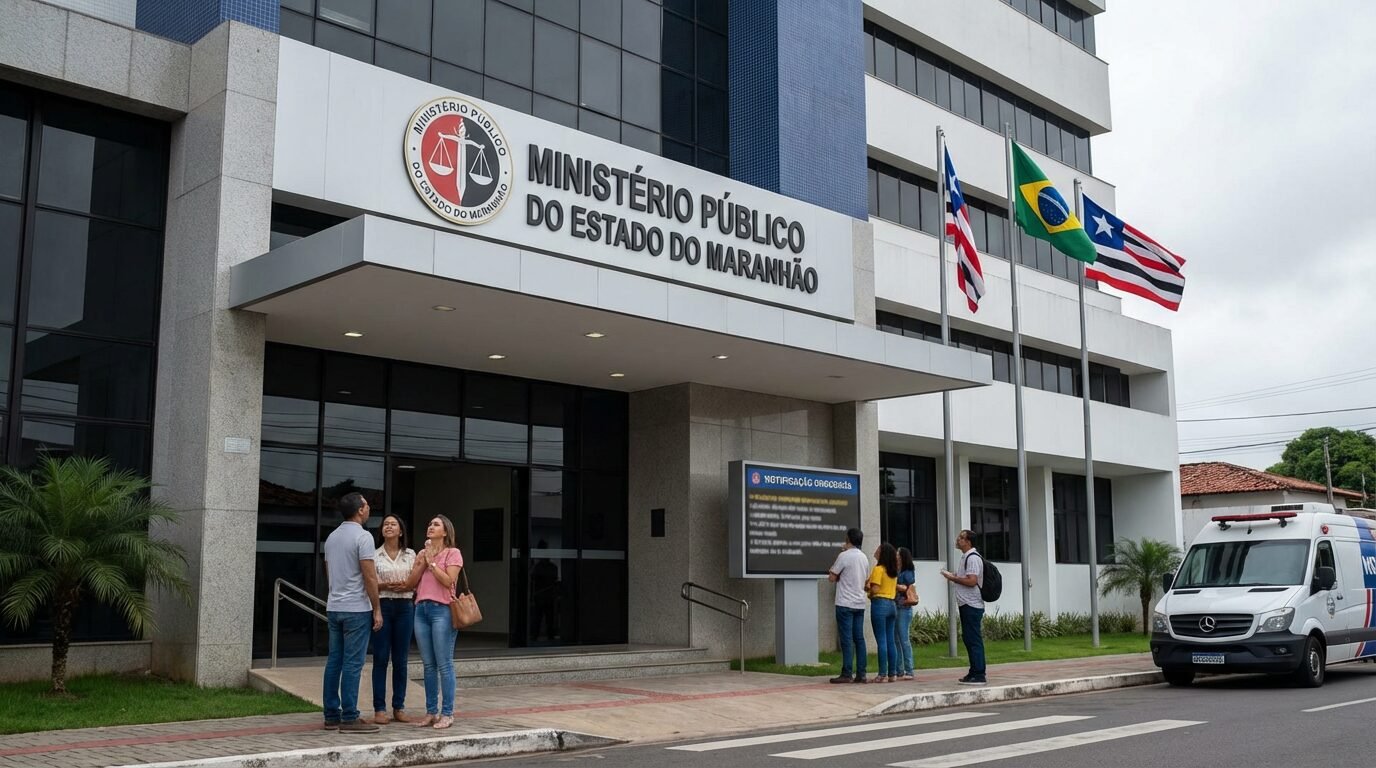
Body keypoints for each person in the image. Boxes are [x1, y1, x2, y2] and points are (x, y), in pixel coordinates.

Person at [321, 492, 383, 732]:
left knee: (334, 660)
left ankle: (331, 714)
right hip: (356, 608)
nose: (368, 509)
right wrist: (376, 608)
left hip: (334, 606)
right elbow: (369, 576)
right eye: (367, 505)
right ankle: (349, 715)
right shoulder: (364, 537)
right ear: (360, 510)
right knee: (353, 663)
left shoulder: (332, 537)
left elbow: (330, 574)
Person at [399, 515, 464, 729]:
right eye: (429, 524)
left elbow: (448, 581)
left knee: (444, 664)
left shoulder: (453, 553)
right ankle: (430, 712)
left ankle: (447, 713)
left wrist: (432, 563)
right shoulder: (423, 553)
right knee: (428, 665)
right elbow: (412, 581)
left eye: (436, 524)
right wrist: (423, 559)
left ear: (445, 532)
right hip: (421, 610)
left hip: (442, 610)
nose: (430, 527)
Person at [371, 514, 416, 724]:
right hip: (383, 605)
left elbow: (418, 581)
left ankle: (399, 707)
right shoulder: (374, 555)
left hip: (405, 607)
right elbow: (369, 582)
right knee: (380, 658)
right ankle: (379, 709)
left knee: (401, 660)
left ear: (401, 530)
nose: (389, 527)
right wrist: (385, 585)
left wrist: (406, 585)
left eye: (393, 524)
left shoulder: (411, 554)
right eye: (385, 524)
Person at [941, 529, 987, 685]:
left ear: (968, 542)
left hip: (971, 604)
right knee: (969, 639)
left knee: (973, 639)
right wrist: (954, 575)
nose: (958, 540)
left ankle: (979, 674)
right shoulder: (966, 557)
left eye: (961, 538)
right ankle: (974, 671)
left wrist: (953, 578)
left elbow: (972, 581)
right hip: (966, 603)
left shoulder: (972, 558)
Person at [827, 527, 869, 684]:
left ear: (848, 539)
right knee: (859, 638)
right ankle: (862, 674)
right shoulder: (864, 557)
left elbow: (832, 577)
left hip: (845, 603)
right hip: (859, 603)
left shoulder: (843, 556)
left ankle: (846, 673)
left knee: (846, 639)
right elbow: (864, 579)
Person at [866, 542, 900, 683]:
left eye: (878, 549)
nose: (876, 550)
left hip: (879, 604)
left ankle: (882, 674)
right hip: (892, 605)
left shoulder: (878, 569)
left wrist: (867, 591)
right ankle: (893, 673)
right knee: (890, 640)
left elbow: (874, 589)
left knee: (881, 641)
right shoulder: (892, 571)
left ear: (882, 553)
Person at [893, 546, 917, 681]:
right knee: (896, 639)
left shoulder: (907, 572)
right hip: (895, 606)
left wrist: (894, 585)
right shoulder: (897, 570)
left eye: (897, 554)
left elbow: (908, 587)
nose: (896, 556)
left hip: (904, 607)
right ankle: (899, 669)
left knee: (904, 639)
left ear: (902, 557)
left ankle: (909, 669)